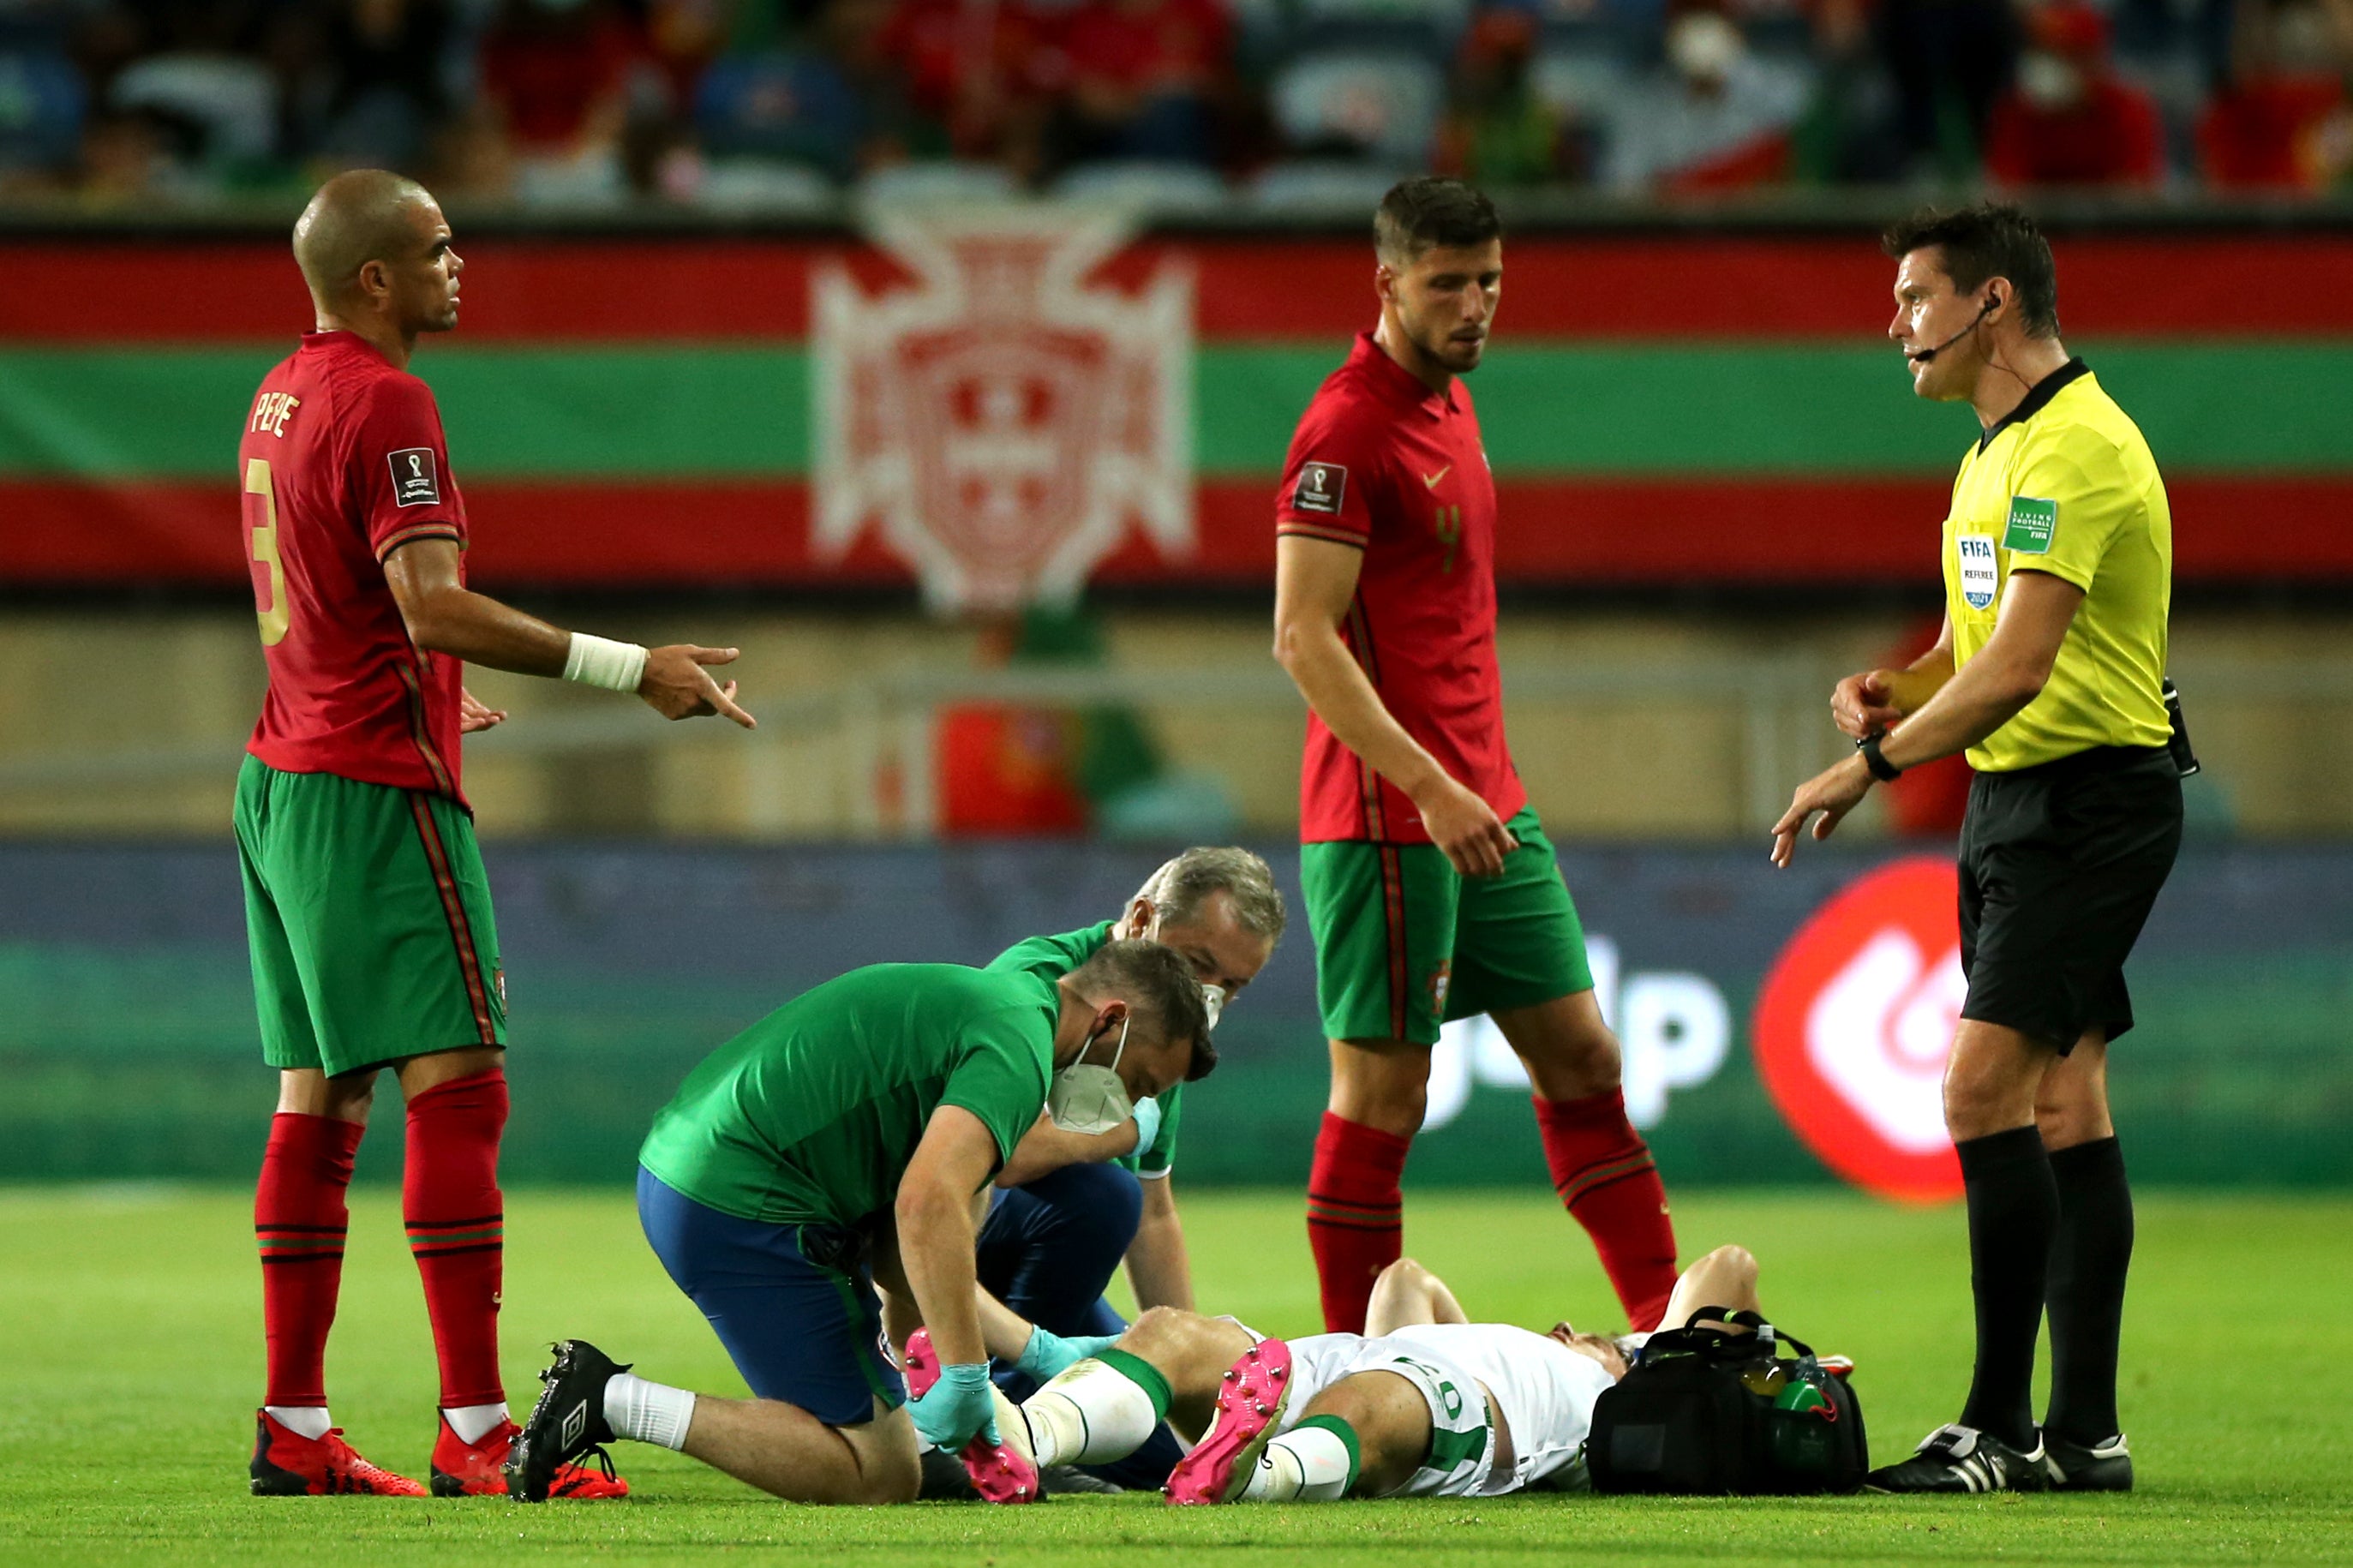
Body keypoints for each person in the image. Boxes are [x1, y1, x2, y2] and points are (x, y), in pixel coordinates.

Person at [240, 170, 753, 1500]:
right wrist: (626, 662)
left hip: (284, 778)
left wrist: (434, 683)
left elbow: (336, 588)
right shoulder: (389, 397)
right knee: (460, 1084)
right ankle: (475, 1428)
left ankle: (293, 1424)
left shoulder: (283, 390)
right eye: (436, 248)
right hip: (376, 792)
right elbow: (428, 601)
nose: (458, 265)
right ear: (374, 281)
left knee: (321, 1094)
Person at [1772, 202, 2179, 1494]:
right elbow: (1963, 656)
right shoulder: (1988, 457)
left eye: (1912, 298)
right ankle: (2083, 1438)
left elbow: (2017, 668)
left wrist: (1866, 766)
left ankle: (1995, 1430)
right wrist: (1891, 687)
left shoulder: (2080, 449)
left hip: (2088, 801)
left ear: (1990, 301)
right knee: (2062, 1099)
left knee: (1975, 1094)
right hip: (2012, 803)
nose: (1893, 325)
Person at [1271, 175, 1679, 1340]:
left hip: (1486, 799)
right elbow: (1300, 636)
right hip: (1392, 814)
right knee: (1385, 1091)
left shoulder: (1448, 404)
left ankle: (1663, 1335)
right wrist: (1428, 784)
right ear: (1387, 282)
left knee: (1584, 1053)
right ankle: (1346, 1372)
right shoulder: (1344, 426)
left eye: (1488, 280)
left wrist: (1467, 783)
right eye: (1447, 282)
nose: (1474, 304)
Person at [502, 941, 1212, 1505]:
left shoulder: (1013, 1002)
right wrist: (967, 1378)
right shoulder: (1017, 1050)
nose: (1129, 1102)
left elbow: (905, 1243)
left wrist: (1032, 1351)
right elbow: (925, 1207)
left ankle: (916, 1427)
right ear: (1112, 1020)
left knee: (907, 1450)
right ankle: (612, 1401)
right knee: (878, 1473)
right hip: (741, 1197)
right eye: (1141, 1082)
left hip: (707, 1170)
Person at [960, 848, 1286, 1492]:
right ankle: (983, 1416)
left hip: (1034, 1265)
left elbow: (1157, 1209)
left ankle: (1030, 1431)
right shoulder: (1035, 983)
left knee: (1162, 1449)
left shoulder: (1170, 1016)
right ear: (1141, 919)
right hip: (943, 1249)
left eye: (1235, 987)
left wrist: (1192, 1370)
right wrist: (1116, 1132)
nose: (1212, 996)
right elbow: (989, 1158)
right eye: (1201, 967)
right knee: (1099, 1197)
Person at [980, 1245, 1771, 1505]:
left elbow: (1729, 1266)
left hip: (1459, 1412)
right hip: (1368, 1363)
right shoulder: (1514, 1348)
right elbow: (1403, 1277)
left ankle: (1255, 1476)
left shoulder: (1626, 1396)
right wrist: (1459, 1338)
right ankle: (1026, 1435)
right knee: (1171, 1335)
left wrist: (1640, 1350)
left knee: (1376, 1402)